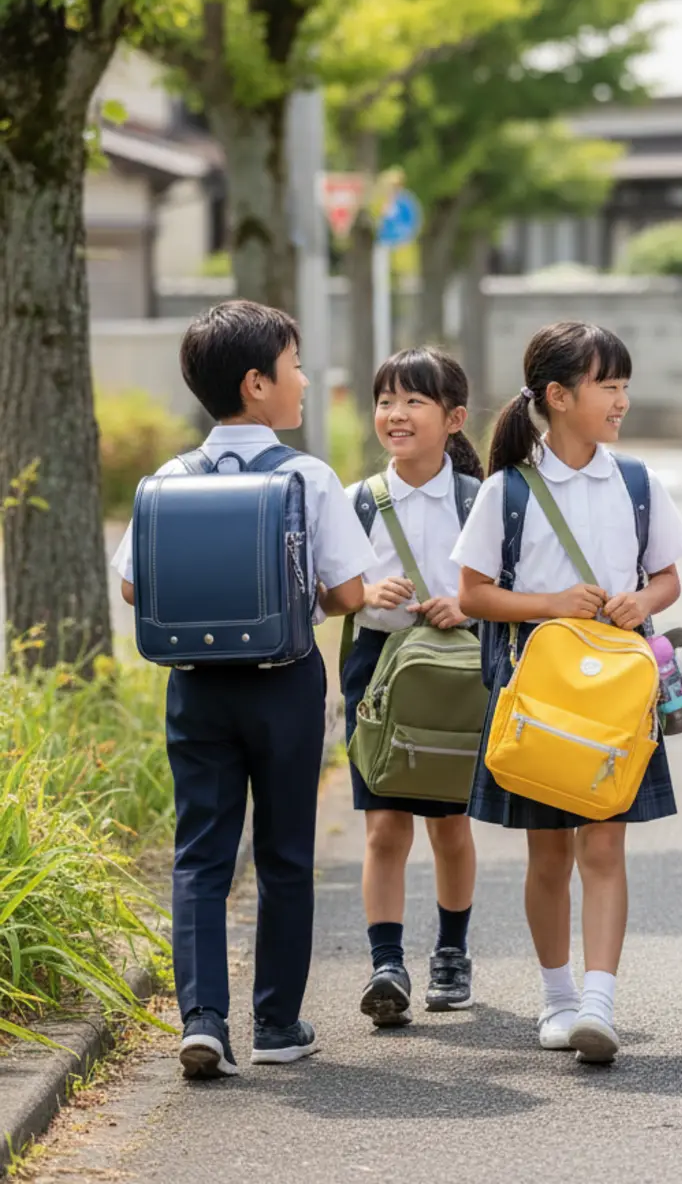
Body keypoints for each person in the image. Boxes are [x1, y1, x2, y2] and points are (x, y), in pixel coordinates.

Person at [112, 300, 375, 1079]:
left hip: (195, 687)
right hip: (283, 684)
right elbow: (350, 593)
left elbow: (133, 587)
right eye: (295, 367)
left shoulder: (168, 479)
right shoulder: (307, 475)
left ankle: (202, 1020)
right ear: (257, 383)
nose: (304, 381)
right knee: (284, 852)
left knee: (200, 854)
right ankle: (277, 1024)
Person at [451, 321, 682, 1064]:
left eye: (624, 386)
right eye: (607, 386)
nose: (622, 400)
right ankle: (557, 997)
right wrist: (551, 604)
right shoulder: (507, 490)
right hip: (542, 693)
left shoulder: (636, 481)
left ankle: (597, 1003)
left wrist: (642, 601)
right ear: (558, 397)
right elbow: (472, 595)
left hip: (617, 693)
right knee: (549, 854)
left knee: (606, 846)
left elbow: (669, 577)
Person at [344, 348, 484, 1029]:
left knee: (450, 824)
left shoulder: (479, 500)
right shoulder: (358, 502)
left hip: (458, 669)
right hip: (378, 668)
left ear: (454, 419)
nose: (395, 415)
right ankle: (387, 964)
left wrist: (466, 604)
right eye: (385, 401)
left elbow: (505, 587)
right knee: (384, 826)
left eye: (413, 401)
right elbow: (331, 591)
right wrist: (365, 594)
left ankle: (452, 955)